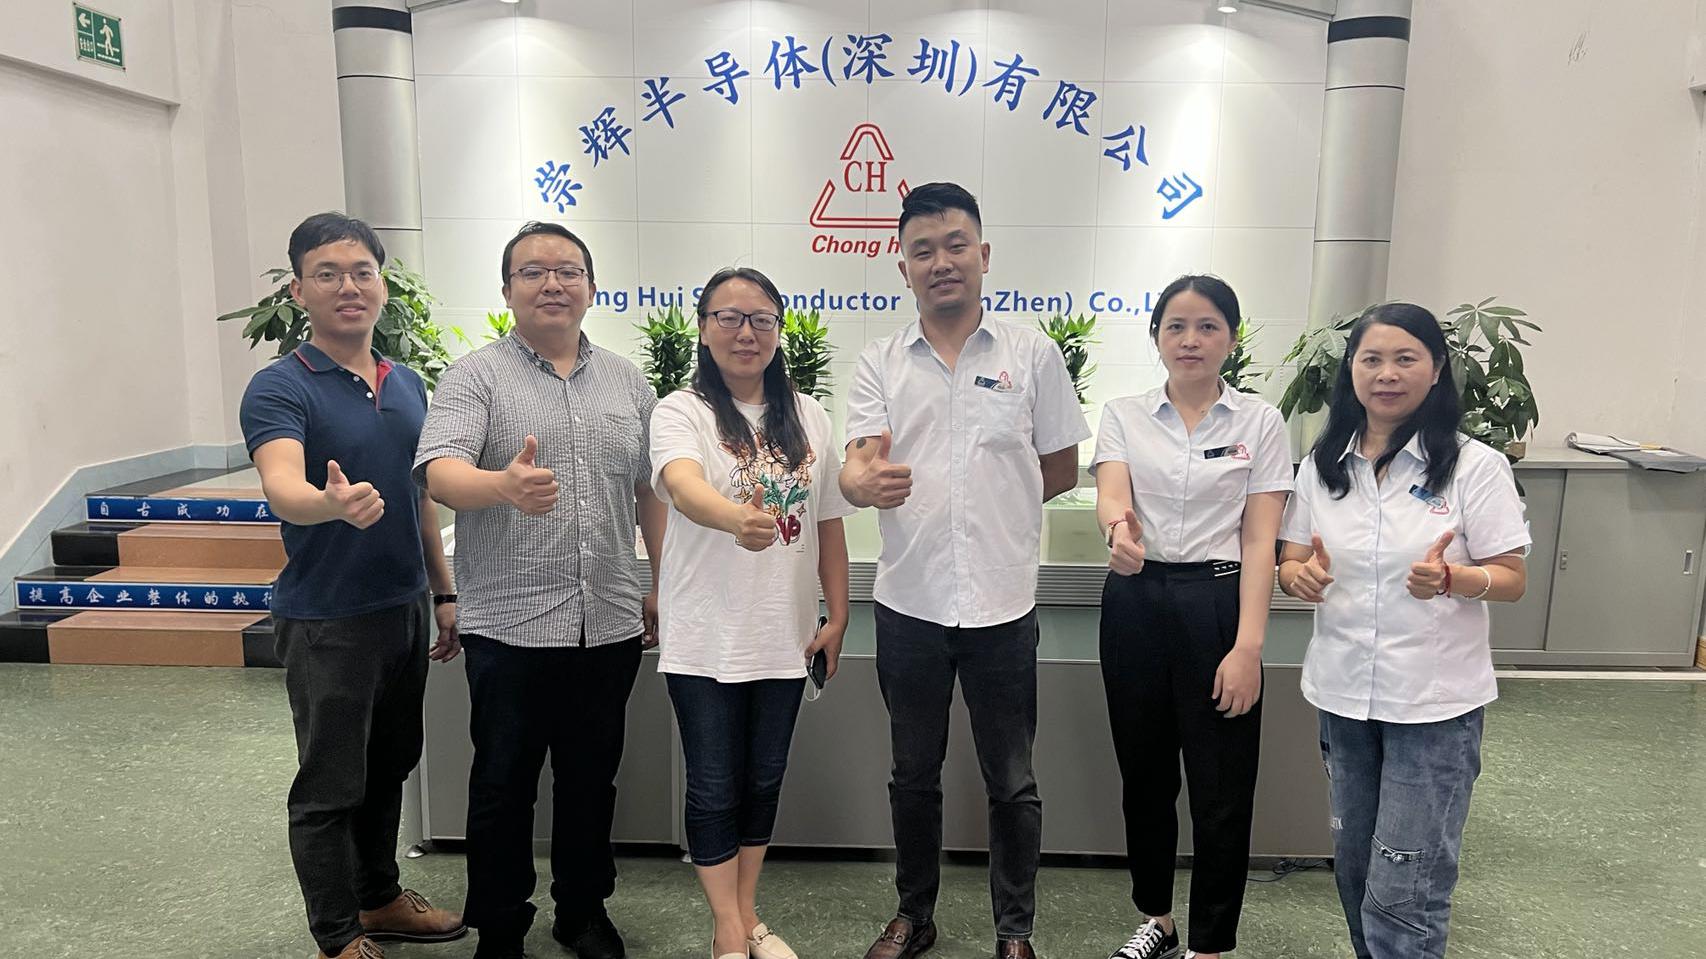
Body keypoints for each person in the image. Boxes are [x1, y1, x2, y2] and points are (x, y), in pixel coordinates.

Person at [841, 182, 1091, 959]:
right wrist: (862, 485)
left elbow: (1060, 466)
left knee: (1012, 779)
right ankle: (914, 914)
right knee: (912, 773)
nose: (941, 262)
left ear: (983, 255)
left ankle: (1015, 930)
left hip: (1003, 606)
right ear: (903, 267)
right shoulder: (879, 362)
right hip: (910, 605)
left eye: (956, 246)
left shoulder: (1032, 355)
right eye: (923, 250)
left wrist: (993, 504)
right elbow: (855, 466)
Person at [413, 222, 667, 959]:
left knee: (592, 780)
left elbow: (648, 489)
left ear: (591, 287)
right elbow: (439, 474)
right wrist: (503, 485)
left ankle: (582, 911)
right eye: (532, 271)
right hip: (510, 624)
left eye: (568, 270)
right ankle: (500, 926)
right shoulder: (476, 376)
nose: (552, 283)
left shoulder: (628, 382)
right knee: (503, 784)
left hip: (608, 618)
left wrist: (658, 580)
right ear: (507, 290)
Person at [240, 212, 465, 959]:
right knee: (330, 786)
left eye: (362, 272)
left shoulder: (406, 384)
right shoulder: (280, 387)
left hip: (402, 609)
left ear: (382, 286)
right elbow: (282, 485)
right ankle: (336, 935)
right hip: (327, 620)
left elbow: (419, 496)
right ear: (298, 289)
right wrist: (328, 503)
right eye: (328, 274)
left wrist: (442, 593)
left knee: (389, 765)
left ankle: (379, 898)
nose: (348, 287)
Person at [1277, 303, 1529, 959]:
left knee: (1405, 883)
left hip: (1432, 706)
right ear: (1352, 371)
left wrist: (1453, 578)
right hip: (1343, 696)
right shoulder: (1324, 464)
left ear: (1436, 368)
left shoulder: (1474, 466)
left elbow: (1511, 577)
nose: (1386, 374)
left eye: (1405, 358)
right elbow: (1292, 559)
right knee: (1356, 869)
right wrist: (1299, 576)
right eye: (1372, 359)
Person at [649, 267, 854, 959]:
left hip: (783, 633)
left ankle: (743, 914)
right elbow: (681, 485)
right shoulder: (682, 410)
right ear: (704, 328)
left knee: (763, 782)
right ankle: (729, 930)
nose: (746, 332)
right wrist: (735, 517)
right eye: (729, 317)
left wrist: (838, 614)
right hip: (704, 635)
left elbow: (828, 521)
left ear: (778, 330)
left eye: (762, 319)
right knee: (714, 786)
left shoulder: (809, 414)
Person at [1092, 276, 1291, 959]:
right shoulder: (1124, 413)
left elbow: (1261, 541)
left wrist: (1248, 646)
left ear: (1231, 338)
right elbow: (1112, 493)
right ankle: (1158, 918)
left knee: (1221, 786)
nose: (1191, 340)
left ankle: (1210, 943)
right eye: (1176, 326)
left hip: (1218, 602)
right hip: (1135, 600)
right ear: (1156, 337)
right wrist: (1117, 529)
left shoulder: (1260, 422)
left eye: (1208, 326)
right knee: (1144, 775)